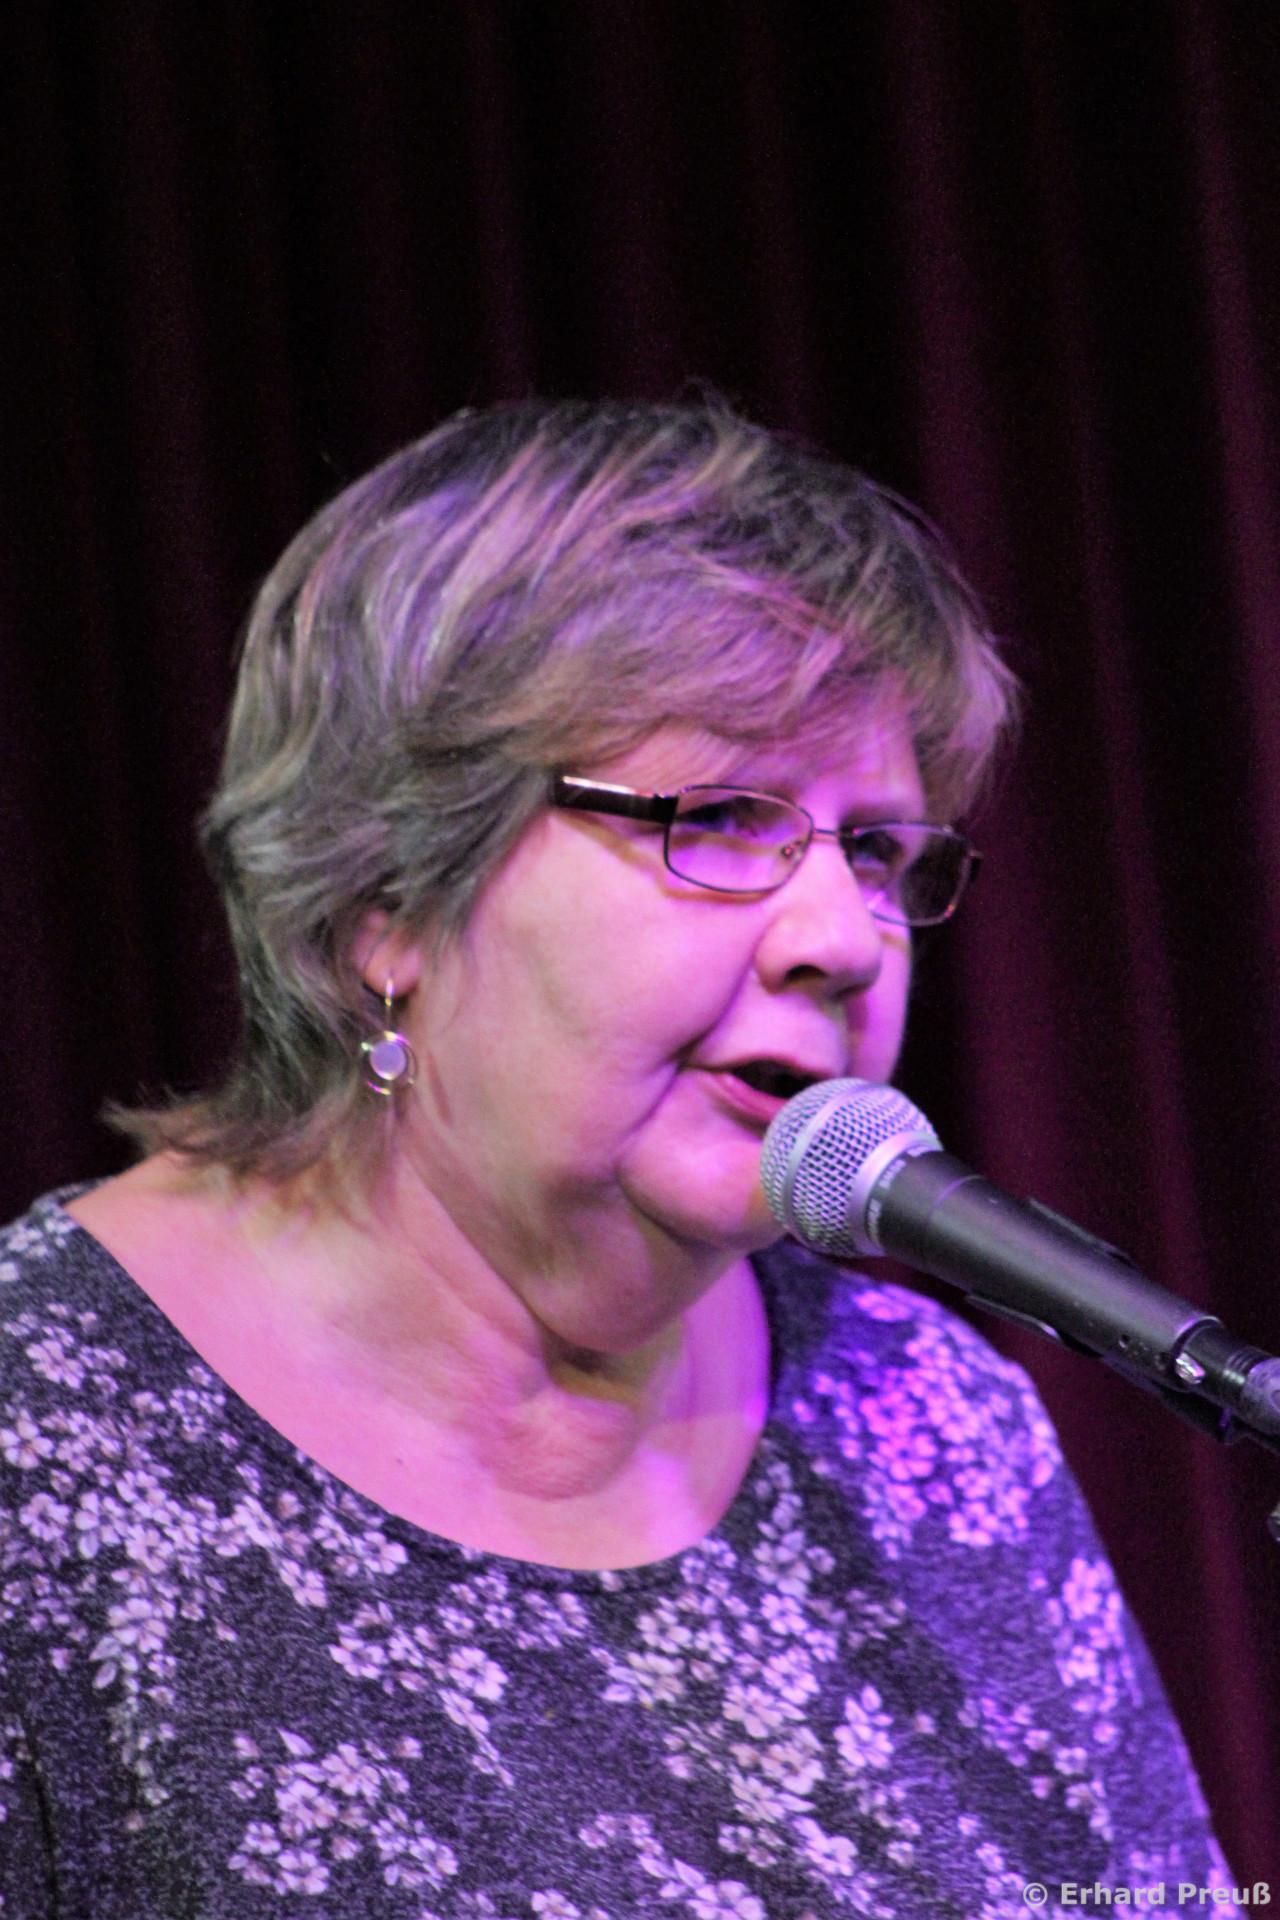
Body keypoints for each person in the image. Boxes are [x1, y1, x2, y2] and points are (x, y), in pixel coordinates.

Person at [0, 401, 1237, 1917]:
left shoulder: (930, 1417)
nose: (846, 940)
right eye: (719, 819)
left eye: (874, 851)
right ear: (389, 898)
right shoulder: (39, 1432)